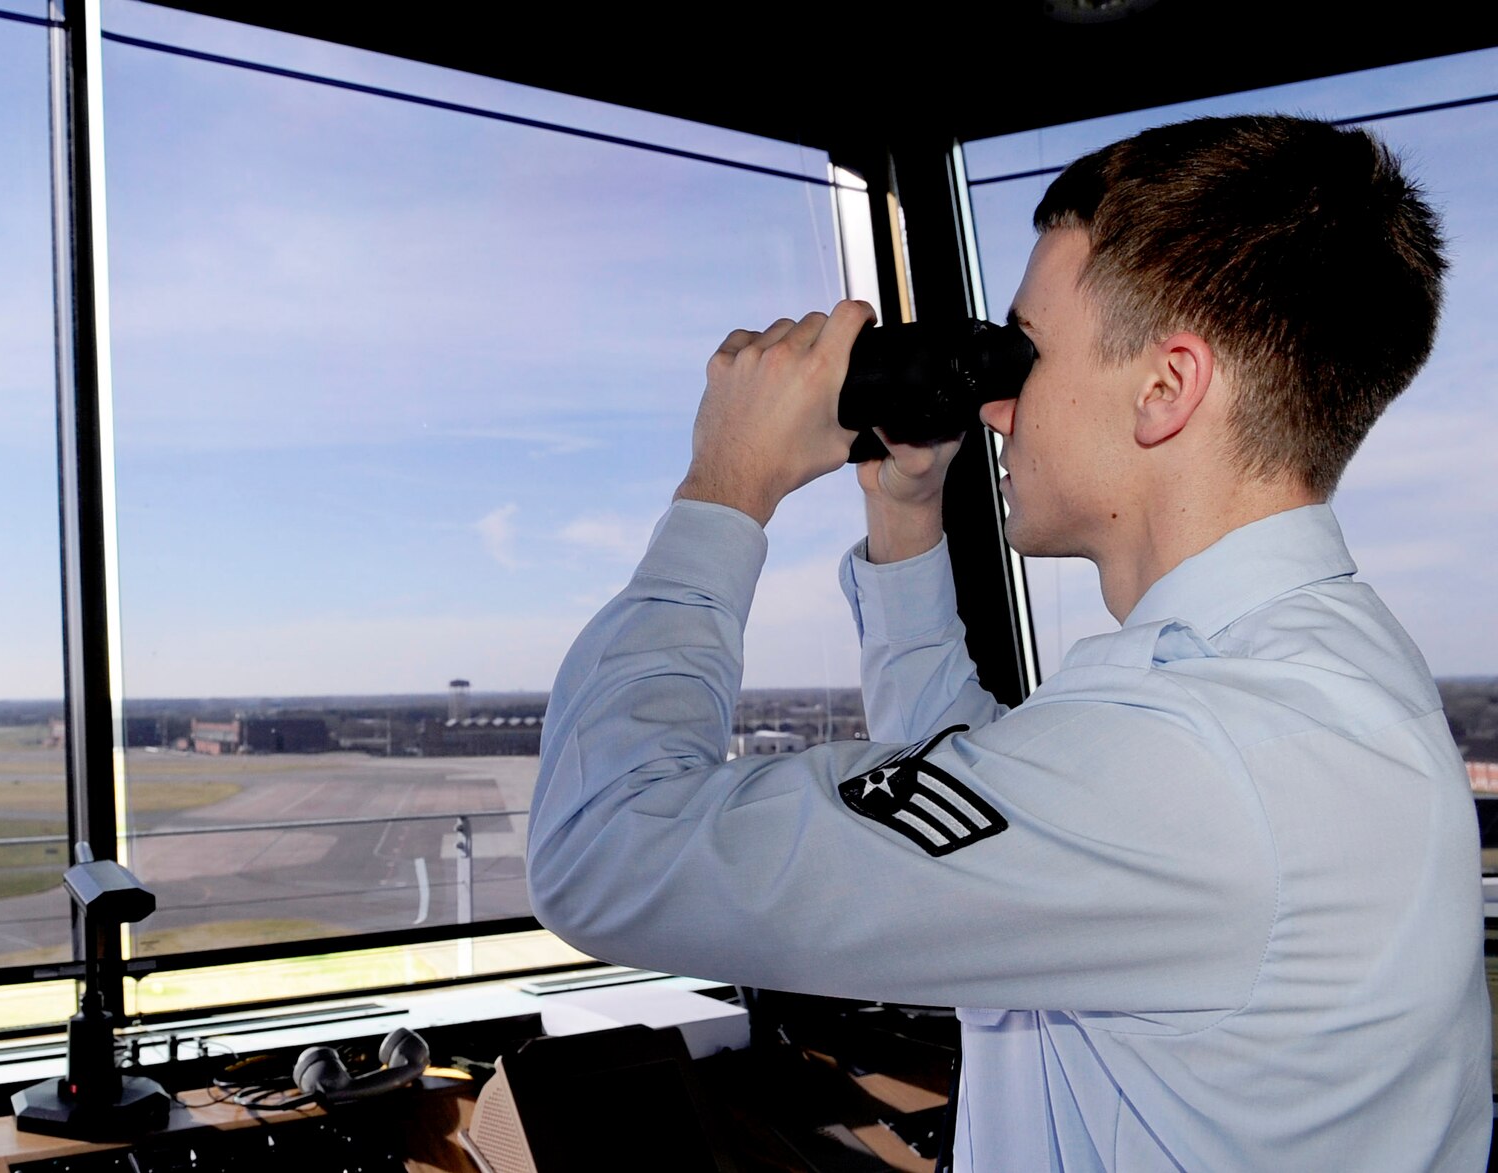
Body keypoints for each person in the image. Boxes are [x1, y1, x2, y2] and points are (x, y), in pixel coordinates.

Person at [526, 114, 1490, 1170]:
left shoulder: (1198, 761)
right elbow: (971, 811)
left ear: (1164, 389)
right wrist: (904, 514)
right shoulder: (1302, 675)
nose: (993, 404)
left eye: (1022, 353)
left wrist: (722, 489)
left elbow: (604, 852)